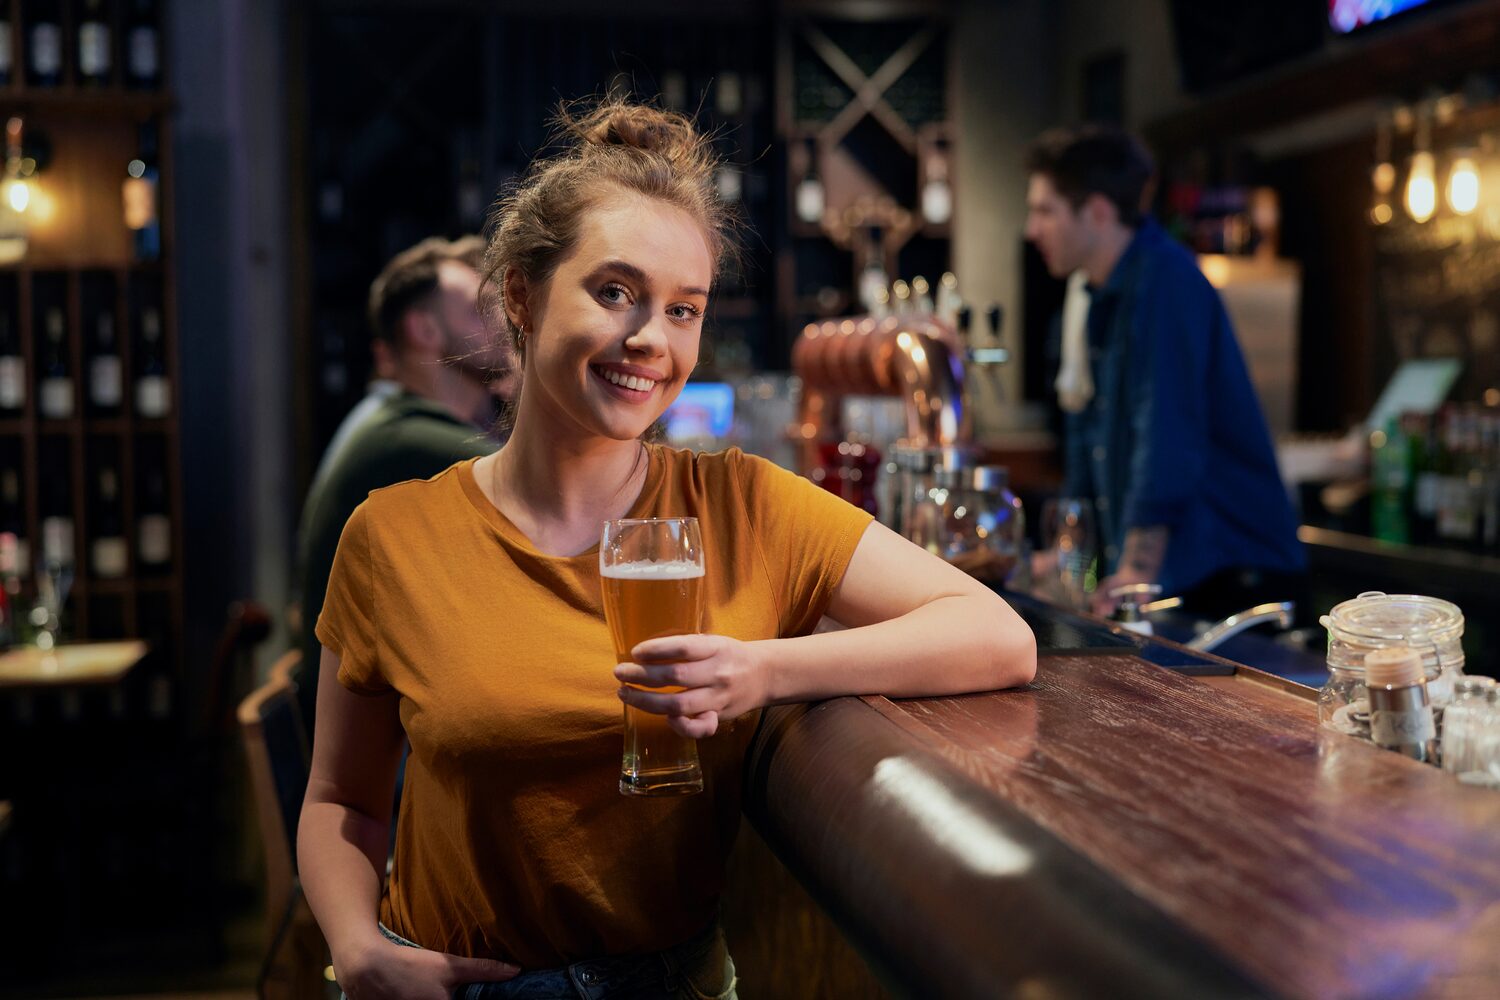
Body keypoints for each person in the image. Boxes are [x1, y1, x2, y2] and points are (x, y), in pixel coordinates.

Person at [298, 99, 1037, 1000]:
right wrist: (357, 947)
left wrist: (765, 670)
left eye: (683, 309)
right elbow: (342, 800)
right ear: (522, 298)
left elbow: (996, 634)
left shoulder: (741, 505)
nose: (651, 340)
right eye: (614, 293)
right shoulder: (392, 535)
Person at [1023, 125, 1305, 621]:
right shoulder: (1100, 297)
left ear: (1098, 211)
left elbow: (1167, 438)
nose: (1032, 229)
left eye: (1045, 210)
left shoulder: (1166, 284)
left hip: (1234, 580)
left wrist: (1135, 570)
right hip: (1185, 581)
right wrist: (1069, 559)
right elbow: (1092, 443)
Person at [292, 235, 514, 733]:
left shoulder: (386, 418)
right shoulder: (404, 440)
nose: (504, 322)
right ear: (423, 329)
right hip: (369, 742)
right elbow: (554, 489)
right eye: (481, 309)